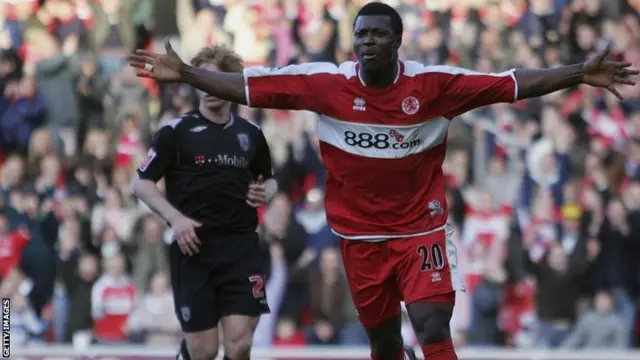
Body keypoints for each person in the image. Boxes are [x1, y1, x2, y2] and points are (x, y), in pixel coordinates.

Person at [128, 2, 638, 360]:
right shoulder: (326, 84)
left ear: (398, 40)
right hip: (360, 238)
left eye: (378, 33)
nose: (368, 41)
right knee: (385, 344)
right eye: (361, 34)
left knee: (433, 325)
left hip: (422, 230)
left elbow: (511, 84)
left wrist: (577, 73)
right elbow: (246, 85)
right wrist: (190, 75)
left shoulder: (434, 86)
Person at [133, 45, 277, 360]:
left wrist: (266, 192)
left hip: (240, 248)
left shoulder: (250, 133)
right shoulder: (176, 131)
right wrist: (176, 219)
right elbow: (141, 183)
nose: (209, 88)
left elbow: (269, 178)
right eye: (203, 79)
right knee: (204, 350)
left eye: (217, 79)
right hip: (193, 249)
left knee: (239, 345)